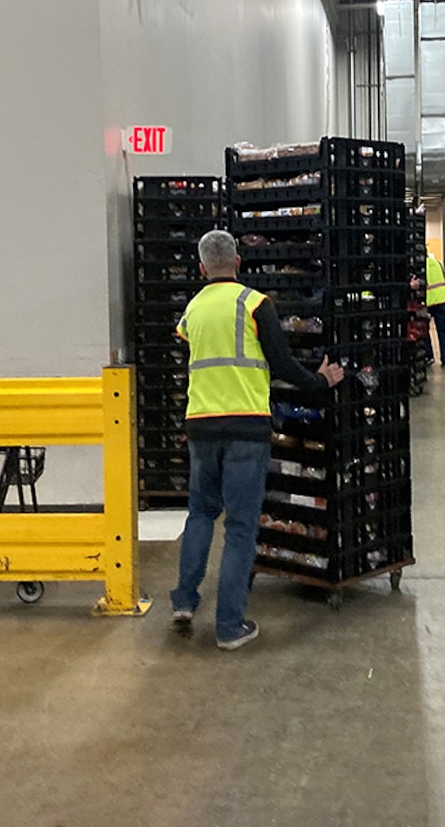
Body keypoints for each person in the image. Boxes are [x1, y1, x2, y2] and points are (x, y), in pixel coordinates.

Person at [170, 230, 344, 650]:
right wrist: (321, 381)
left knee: (199, 515)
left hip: (200, 425)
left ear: (201, 268)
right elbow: (281, 362)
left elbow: (191, 353)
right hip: (246, 427)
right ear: (239, 263)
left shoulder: (191, 311)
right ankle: (229, 627)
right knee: (242, 528)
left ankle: (184, 602)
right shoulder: (254, 304)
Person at [417, 251, 445, 368]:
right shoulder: (438, 263)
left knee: (425, 330)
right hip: (441, 300)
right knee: (442, 331)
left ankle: (429, 356)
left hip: (429, 303)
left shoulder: (421, 267)